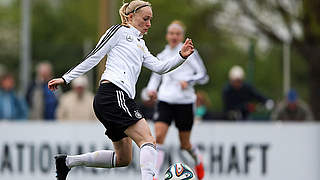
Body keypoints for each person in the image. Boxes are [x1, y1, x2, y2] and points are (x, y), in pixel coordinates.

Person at [47, 1, 195, 180]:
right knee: (148, 140)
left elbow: (160, 67)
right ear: (131, 17)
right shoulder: (119, 32)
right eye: (145, 19)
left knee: (123, 158)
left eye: (150, 19)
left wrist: (180, 56)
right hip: (113, 94)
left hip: (114, 99)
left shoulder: (140, 45)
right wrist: (66, 78)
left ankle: (67, 162)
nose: (149, 24)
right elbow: (94, 55)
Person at [146, 20, 208, 180]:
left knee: (185, 144)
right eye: (171, 33)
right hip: (165, 100)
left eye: (177, 33)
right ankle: (154, 175)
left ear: (181, 36)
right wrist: (151, 91)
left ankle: (197, 161)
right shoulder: (162, 55)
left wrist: (189, 81)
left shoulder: (190, 52)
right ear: (167, 36)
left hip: (185, 102)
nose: (174, 36)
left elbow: (203, 75)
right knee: (158, 137)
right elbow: (155, 77)